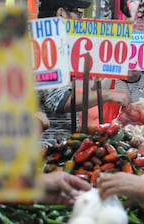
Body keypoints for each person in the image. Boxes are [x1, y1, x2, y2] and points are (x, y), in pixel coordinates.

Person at [37, 0, 132, 145]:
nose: (80, 19)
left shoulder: (52, 46)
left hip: (60, 143)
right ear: (61, 13)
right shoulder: (45, 48)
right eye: (77, 13)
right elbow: (59, 101)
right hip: (47, 148)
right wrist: (108, 95)